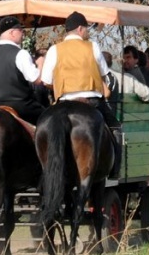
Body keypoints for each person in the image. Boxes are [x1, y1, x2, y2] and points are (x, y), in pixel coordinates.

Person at [40, 11, 122, 177]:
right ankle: (115, 169)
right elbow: (104, 72)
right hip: (91, 101)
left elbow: (46, 80)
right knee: (115, 128)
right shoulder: (93, 46)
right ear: (80, 29)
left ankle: (43, 172)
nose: (87, 32)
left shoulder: (55, 50)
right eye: (86, 29)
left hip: (63, 102)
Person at [0, 16, 44, 125]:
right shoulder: (20, 53)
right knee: (49, 119)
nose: (23, 34)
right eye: (21, 30)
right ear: (12, 32)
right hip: (21, 105)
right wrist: (40, 63)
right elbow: (37, 80)